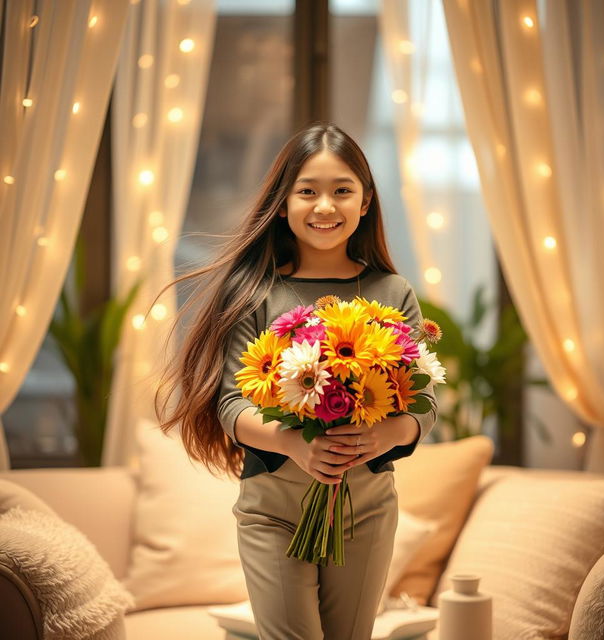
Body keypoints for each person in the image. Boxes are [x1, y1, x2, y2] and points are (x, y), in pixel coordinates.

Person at [156, 121, 438, 639]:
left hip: (368, 513)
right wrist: (296, 445)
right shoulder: (255, 291)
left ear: (366, 201)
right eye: (307, 191)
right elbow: (231, 404)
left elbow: (422, 406)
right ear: (283, 203)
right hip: (272, 512)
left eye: (342, 191)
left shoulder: (393, 292)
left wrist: (385, 434)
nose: (324, 206)